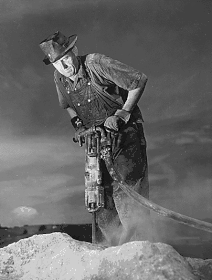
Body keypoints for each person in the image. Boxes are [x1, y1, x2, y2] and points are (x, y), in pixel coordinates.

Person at [39, 31, 153, 246]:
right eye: (57, 63)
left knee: (127, 191)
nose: (64, 67)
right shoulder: (59, 77)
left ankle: (138, 250)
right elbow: (69, 107)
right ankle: (108, 252)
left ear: (75, 51)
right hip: (96, 141)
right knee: (99, 198)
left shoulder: (96, 63)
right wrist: (79, 126)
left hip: (124, 136)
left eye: (65, 59)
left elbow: (138, 80)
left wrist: (122, 113)